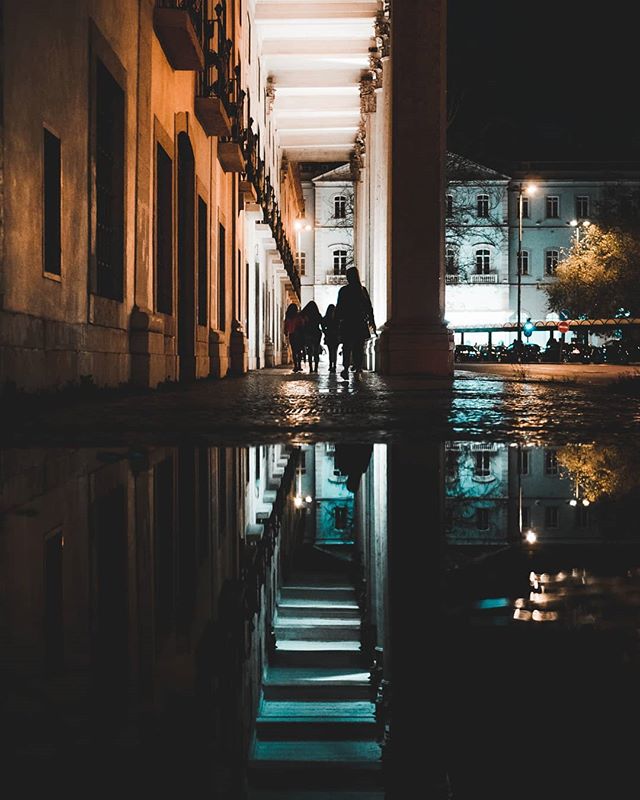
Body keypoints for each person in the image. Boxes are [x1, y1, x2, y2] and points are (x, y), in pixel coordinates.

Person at [335, 266, 376, 380]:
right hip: (359, 323)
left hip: (347, 323)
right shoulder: (362, 290)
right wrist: (372, 321)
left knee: (347, 347)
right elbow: (369, 307)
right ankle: (358, 369)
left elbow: (339, 308)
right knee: (358, 347)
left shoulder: (344, 291)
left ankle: (346, 368)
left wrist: (337, 321)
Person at [300, 300, 324, 373]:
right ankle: (316, 368)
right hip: (316, 333)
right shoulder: (318, 315)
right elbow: (322, 323)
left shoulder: (305, 315)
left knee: (310, 351)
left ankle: (311, 368)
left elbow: (302, 324)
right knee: (316, 351)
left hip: (308, 334)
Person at [283, 302, 305, 373]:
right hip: (299, 335)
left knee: (294, 351)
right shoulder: (298, 316)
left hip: (292, 335)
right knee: (299, 351)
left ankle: (295, 366)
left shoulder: (288, 317)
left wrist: (286, 333)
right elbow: (302, 323)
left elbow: (286, 326)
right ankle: (299, 365)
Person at [321, 303, 340, 373]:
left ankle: (330, 365)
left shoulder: (326, 318)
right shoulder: (337, 318)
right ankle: (334, 366)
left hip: (329, 336)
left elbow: (322, 324)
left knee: (330, 352)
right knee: (335, 352)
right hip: (336, 337)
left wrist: (325, 331)